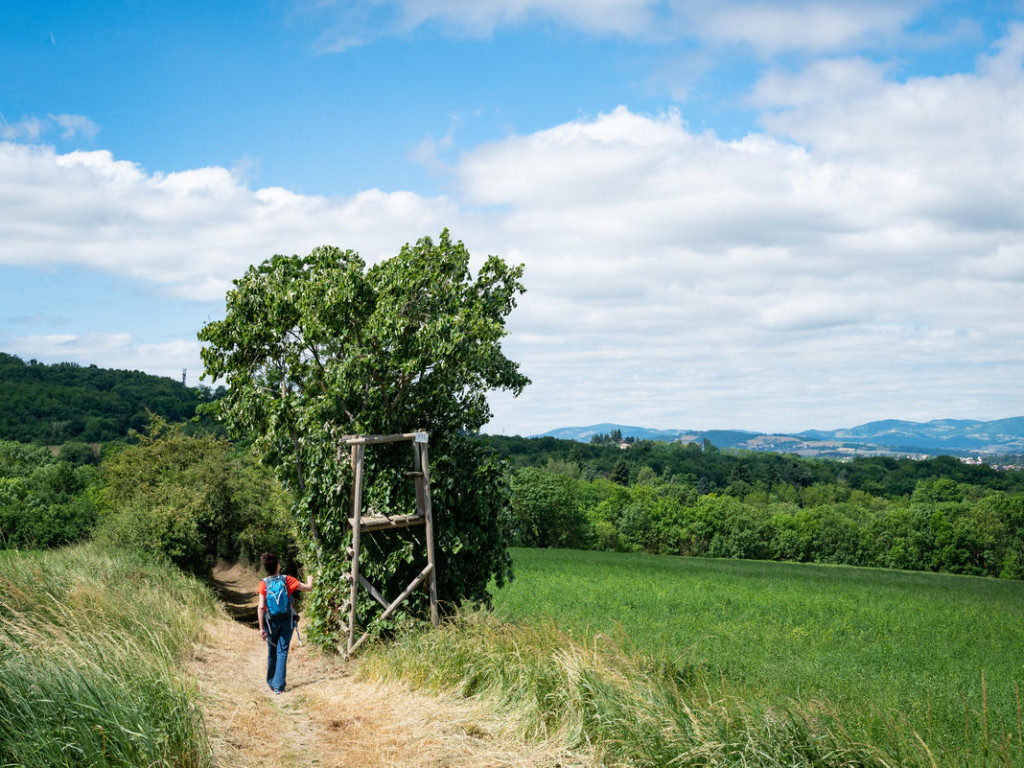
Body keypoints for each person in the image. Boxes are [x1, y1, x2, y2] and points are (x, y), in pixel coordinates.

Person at [257, 552, 313, 694]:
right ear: (278, 565)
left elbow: (261, 607)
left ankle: (271, 682)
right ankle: (278, 686)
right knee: (282, 652)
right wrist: (310, 579)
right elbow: (308, 588)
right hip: (287, 621)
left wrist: (261, 628)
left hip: (271, 623)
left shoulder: (263, 584)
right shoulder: (287, 580)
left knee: (272, 652)